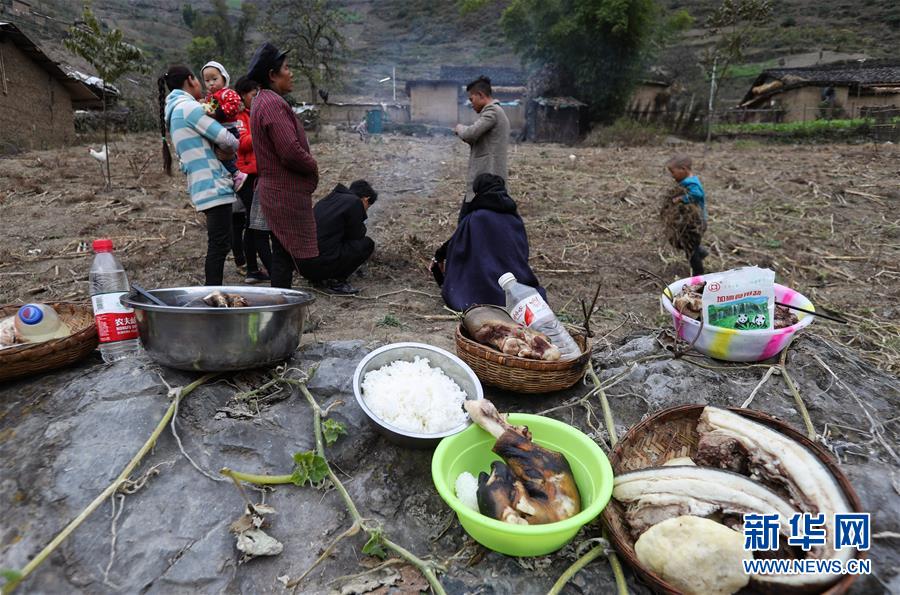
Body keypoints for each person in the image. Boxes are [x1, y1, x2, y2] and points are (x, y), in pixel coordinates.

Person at [158, 65, 239, 286]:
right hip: (213, 182)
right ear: (190, 80)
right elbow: (228, 140)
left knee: (220, 243)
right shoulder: (189, 108)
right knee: (219, 245)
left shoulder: (174, 111)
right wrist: (231, 148)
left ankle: (213, 291)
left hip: (201, 184)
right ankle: (212, 293)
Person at [246, 42, 319, 289]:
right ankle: (280, 304)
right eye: (286, 68)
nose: (291, 73)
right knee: (283, 255)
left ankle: (281, 302)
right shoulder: (272, 104)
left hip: (276, 192)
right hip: (282, 193)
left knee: (282, 254)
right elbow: (290, 152)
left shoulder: (262, 101)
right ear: (272, 75)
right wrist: (312, 165)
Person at [431, 173, 545, 311]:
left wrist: (440, 257)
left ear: (478, 192)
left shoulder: (477, 218)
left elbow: (457, 247)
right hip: (516, 282)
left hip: (485, 289)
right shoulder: (514, 218)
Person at [296, 180, 377, 295]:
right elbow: (357, 235)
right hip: (318, 266)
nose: (366, 211)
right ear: (366, 199)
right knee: (367, 244)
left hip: (302, 265)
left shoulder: (330, 199)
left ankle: (319, 279)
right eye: (367, 207)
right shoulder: (354, 202)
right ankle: (336, 282)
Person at [234, 75, 271, 283]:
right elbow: (242, 142)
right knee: (254, 223)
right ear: (242, 95)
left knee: (252, 223)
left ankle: (253, 270)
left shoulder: (251, 114)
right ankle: (256, 269)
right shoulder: (240, 117)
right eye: (253, 95)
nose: (256, 98)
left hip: (257, 173)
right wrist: (263, 129)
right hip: (247, 176)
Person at [454, 76, 510, 203]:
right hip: (489, 181)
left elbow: (470, 134)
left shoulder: (492, 111)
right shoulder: (496, 111)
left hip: (488, 180)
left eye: (471, 99)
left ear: (480, 95)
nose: (471, 103)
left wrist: (459, 128)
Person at [201, 61, 247, 191]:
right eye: (207, 80)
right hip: (218, 129)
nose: (211, 83)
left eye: (214, 79)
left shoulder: (228, 93)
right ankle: (230, 175)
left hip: (229, 129)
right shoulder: (210, 97)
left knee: (224, 155)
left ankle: (236, 174)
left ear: (224, 78)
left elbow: (234, 105)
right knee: (218, 155)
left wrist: (217, 113)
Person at [667, 154, 708, 275]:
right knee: (682, 243)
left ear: (683, 169)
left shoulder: (691, 183)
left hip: (695, 223)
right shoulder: (687, 181)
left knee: (690, 250)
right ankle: (701, 252)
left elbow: (698, 194)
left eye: (673, 172)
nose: (672, 175)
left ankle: (698, 274)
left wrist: (682, 198)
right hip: (690, 222)